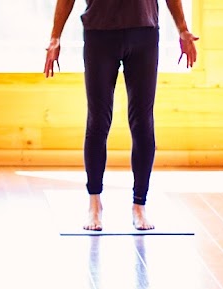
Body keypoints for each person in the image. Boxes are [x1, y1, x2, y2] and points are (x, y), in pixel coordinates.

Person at [45, 0, 198, 231]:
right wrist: (55, 36)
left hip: (144, 33)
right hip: (99, 33)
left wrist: (183, 29)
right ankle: (94, 204)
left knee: (142, 122)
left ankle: (139, 205)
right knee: (97, 121)